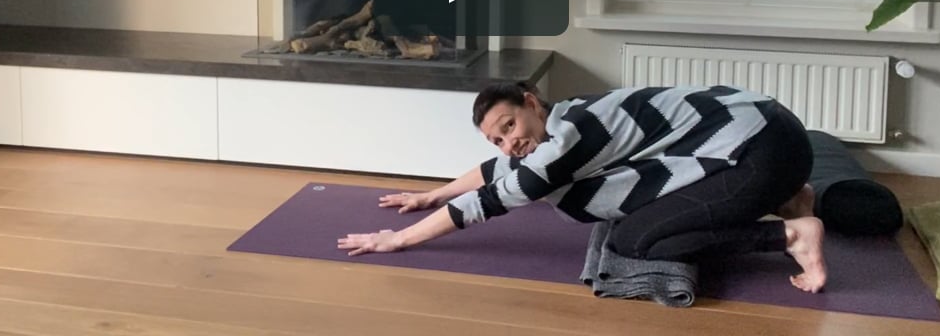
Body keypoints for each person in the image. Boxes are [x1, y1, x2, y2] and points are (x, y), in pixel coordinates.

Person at [337, 80, 827, 293]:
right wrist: (433, 194)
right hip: (772, 129)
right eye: (497, 138)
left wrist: (397, 240)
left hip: (766, 150)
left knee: (637, 241)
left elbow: (489, 200)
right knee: (638, 223)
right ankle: (790, 198)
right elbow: (498, 168)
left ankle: (790, 234)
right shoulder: (568, 116)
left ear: (531, 103)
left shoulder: (565, 143)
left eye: (510, 126)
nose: (509, 143)